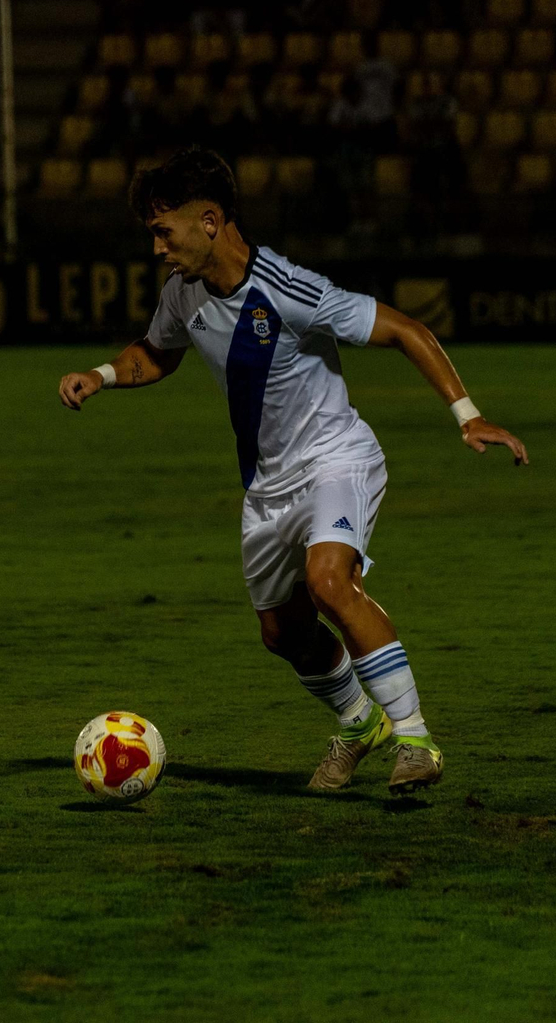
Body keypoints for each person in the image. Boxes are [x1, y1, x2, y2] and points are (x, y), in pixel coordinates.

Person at [57, 148, 528, 794]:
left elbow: (407, 330)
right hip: (267, 489)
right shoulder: (183, 293)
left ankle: (415, 739)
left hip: (336, 459)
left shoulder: (289, 291)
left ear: (212, 221)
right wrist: (102, 375)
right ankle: (361, 725)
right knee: (283, 633)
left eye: (165, 231)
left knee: (330, 583)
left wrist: (467, 415)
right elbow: (159, 352)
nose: (159, 247)